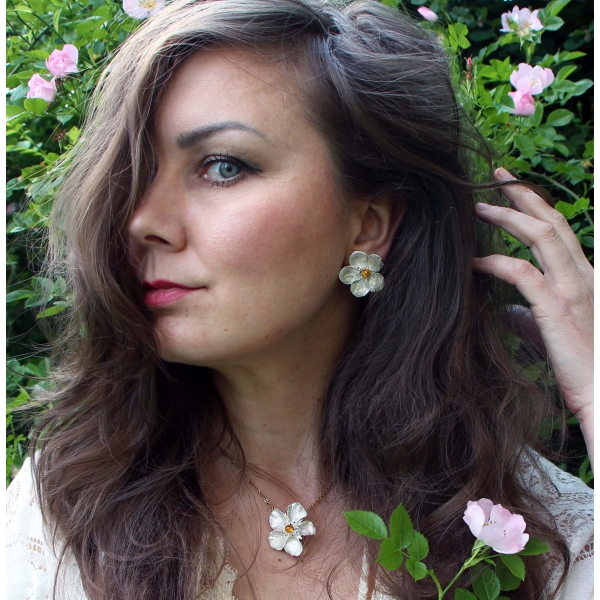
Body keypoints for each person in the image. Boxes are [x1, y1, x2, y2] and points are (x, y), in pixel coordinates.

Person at [6, 0, 593, 599]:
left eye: (223, 167)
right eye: (133, 171)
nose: (142, 221)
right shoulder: (64, 513)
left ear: (368, 224)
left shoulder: (533, 536)